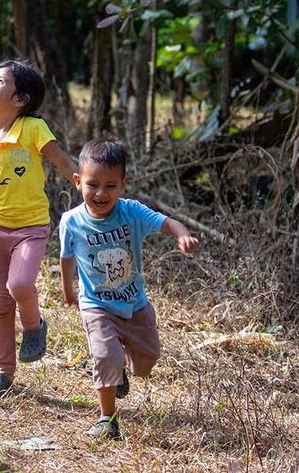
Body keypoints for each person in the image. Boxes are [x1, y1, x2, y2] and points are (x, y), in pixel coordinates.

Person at [58, 137, 200, 439]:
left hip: (134, 303)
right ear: (77, 181)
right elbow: (66, 258)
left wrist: (182, 234)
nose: (100, 193)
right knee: (106, 356)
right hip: (96, 304)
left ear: (124, 184)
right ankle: (107, 419)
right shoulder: (71, 221)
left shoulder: (132, 212)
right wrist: (68, 291)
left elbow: (168, 223)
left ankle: (124, 368)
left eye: (111, 186)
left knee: (146, 364)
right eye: (93, 184)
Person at [0, 59, 77, 394]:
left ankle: (34, 325)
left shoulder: (33, 129)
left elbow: (63, 161)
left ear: (20, 99)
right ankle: (4, 372)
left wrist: (88, 184)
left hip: (31, 227)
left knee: (21, 285)